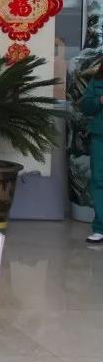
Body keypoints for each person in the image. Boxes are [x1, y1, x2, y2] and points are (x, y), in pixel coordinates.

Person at [77, 65, 103, 244]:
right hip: (100, 137)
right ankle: (100, 228)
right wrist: (99, 100)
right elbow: (85, 107)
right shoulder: (98, 79)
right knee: (99, 181)